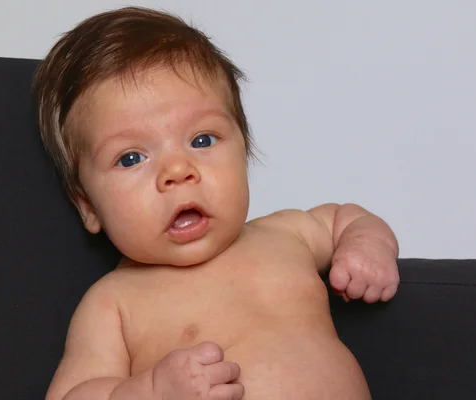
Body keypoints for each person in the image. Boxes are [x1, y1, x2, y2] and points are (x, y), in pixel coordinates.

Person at [34, 6, 400, 400]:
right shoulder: (114, 304)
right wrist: (151, 391)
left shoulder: (285, 234)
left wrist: (368, 246)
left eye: (202, 140)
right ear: (88, 205)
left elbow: (347, 219)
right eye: (131, 158)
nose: (178, 170)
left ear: (243, 149)